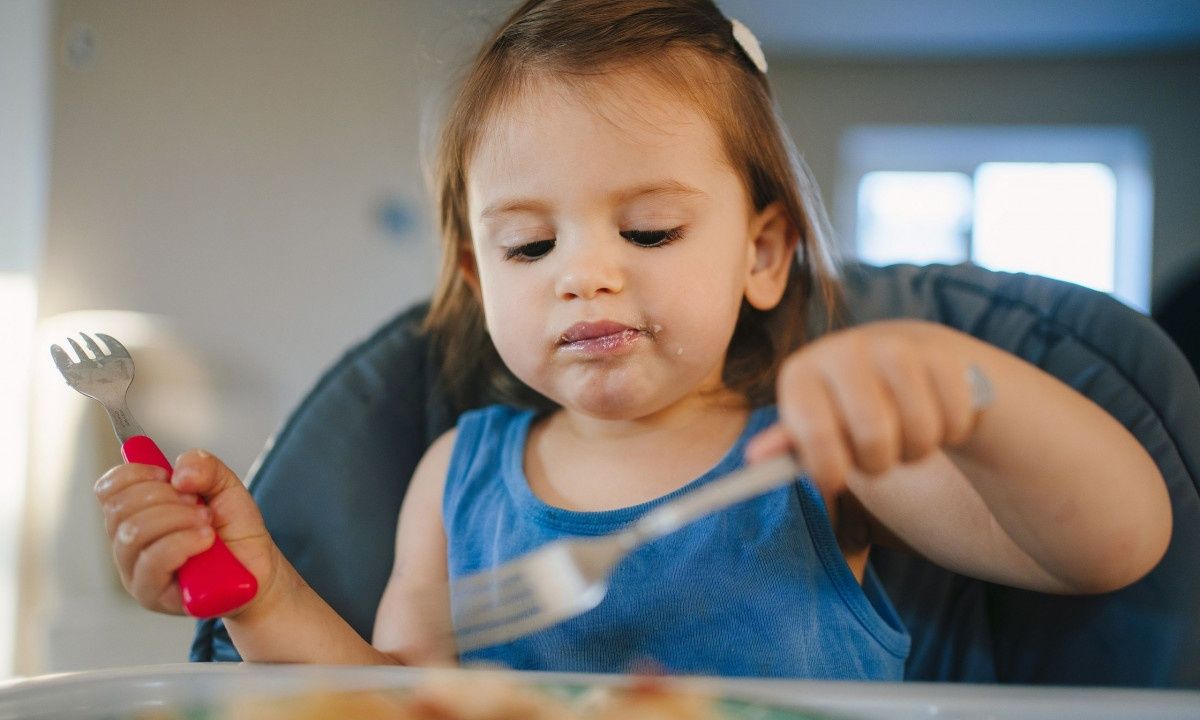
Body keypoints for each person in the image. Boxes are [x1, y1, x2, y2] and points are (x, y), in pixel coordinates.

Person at [92, 0, 1171, 680]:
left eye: (649, 228)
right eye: (527, 246)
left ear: (762, 253)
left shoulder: (816, 454)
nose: (584, 272)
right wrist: (265, 592)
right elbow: (389, 706)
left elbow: (1110, 546)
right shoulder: (453, 481)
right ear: (477, 278)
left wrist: (957, 385)